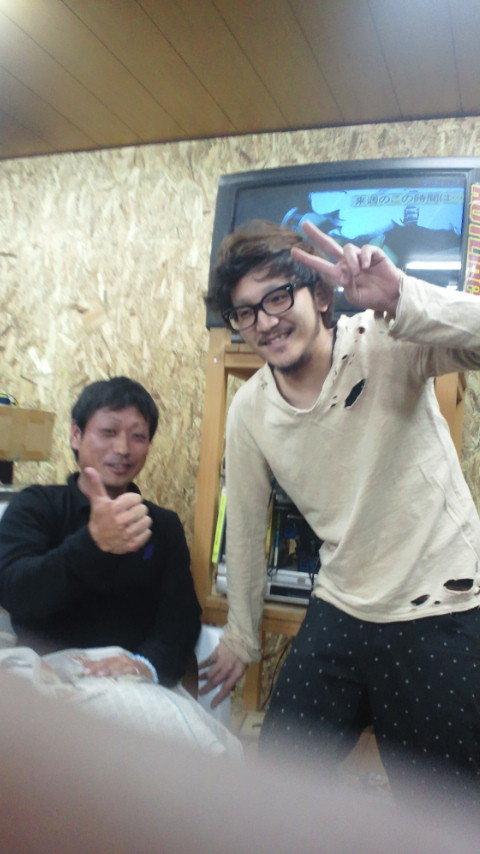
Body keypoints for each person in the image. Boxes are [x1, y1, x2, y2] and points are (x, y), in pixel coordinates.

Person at [200, 218, 480, 804]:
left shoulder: (384, 338)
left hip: (440, 598)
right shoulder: (250, 409)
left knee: (445, 813)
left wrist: (402, 297)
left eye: (278, 297)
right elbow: (246, 529)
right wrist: (242, 637)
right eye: (246, 311)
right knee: (277, 784)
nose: (265, 322)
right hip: (344, 602)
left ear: (321, 296)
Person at [0, 376, 201, 688]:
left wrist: (144, 665)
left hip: (130, 681)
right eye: (108, 432)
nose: (122, 448)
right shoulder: (36, 505)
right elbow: (15, 593)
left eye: (138, 436)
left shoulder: (162, 525)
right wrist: (92, 543)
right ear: (76, 434)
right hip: (44, 681)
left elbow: (181, 620)